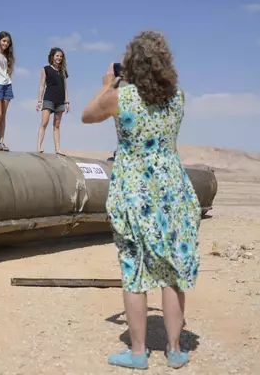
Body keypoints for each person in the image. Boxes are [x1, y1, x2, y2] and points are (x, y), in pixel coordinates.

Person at [81, 30, 201, 370]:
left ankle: (137, 353)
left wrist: (109, 83)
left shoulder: (121, 97)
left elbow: (87, 115)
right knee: (172, 271)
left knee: (134, 271)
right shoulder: (179, 98)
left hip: (135, 193)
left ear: (131, 63)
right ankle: (175, 350)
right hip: (173, 191)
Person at [35, 47, 70, 153]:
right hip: (48, 98)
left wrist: (67, 101)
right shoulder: (46, 69)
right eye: (57, 56)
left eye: (61, 56)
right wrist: (39, 100)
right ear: (52, 57)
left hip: (60, 100)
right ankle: (39, 147)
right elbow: (42, 86)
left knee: (57, 125)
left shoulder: (63, 71)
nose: (59, 58)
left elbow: (65, 87)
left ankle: (58, 149)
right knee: (44, 123)